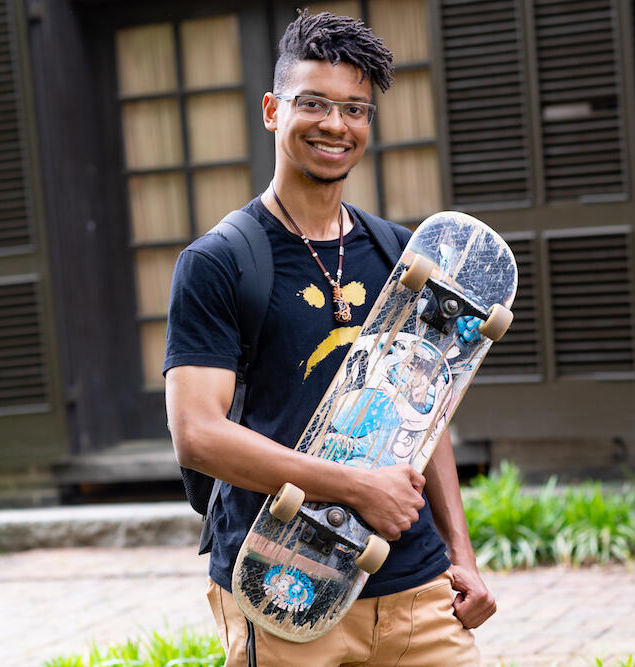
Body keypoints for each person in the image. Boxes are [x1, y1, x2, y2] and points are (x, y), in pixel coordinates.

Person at [163, 10, 496, 666]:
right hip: (284, 583)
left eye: (356, 109)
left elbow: (427, 411)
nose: (336, 124)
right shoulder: (221, 262)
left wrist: (462, 555)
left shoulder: (401, 253)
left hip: (414, 586)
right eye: (313, 102)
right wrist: (352, 484)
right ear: (271, 109)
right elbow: (197, 434)